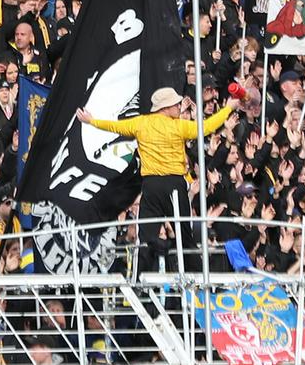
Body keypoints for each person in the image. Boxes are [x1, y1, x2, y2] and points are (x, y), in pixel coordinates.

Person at [77, 86, 239, 265]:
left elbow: (115, 127)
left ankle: (142, 277)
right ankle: (196, 276)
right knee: (185, 235)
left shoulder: (141, 123)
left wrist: (92, 121)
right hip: (174, 185)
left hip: (151, 185)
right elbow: (206, 127)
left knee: (147, 235)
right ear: (165, 107)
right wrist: (228, 108)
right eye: (175, 104)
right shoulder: (178, 126)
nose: (179, 106)